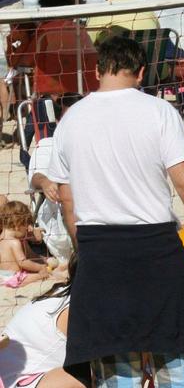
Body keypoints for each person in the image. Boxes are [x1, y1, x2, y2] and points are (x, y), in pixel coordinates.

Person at [45, 35, 184, 387]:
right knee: (179, 359)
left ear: (96, 70)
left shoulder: (71, 119)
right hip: (155, 247)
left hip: (98, 250)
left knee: (116, 373)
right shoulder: (159, 111)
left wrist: (86, 251)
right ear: (141, 72)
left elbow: (67, 202)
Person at [0, 254, 83, 388]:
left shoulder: (64, 293)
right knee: (96, 372)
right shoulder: (78, 309)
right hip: (18, 381)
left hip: (10, 373)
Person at [28, 93, 83, 265]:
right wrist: (45, 182)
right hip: (58, 219)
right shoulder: (47, 144)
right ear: (59, 121)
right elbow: (36, 177)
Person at [0, 201, 56, 288]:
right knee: (44, 275)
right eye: (26, 225)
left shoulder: (2, 239)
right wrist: (40, 268)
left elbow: (30, 256)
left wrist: (43, 261)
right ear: (17, 224)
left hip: (2, 276)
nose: (28, 229)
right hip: (14, 278)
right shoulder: (14, 242)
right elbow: (23, 263)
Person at [85, 0, 160, 42]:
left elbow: (88, 44)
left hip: (117, 57)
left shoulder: (99, 12)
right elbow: (158, 33)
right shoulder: (147, 8)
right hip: (150, 57)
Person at [0, 0, 23, 138]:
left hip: (10, 0)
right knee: (17, 67)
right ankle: (21, 126)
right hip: (11, 0)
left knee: (14, 68)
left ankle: (17, 125)